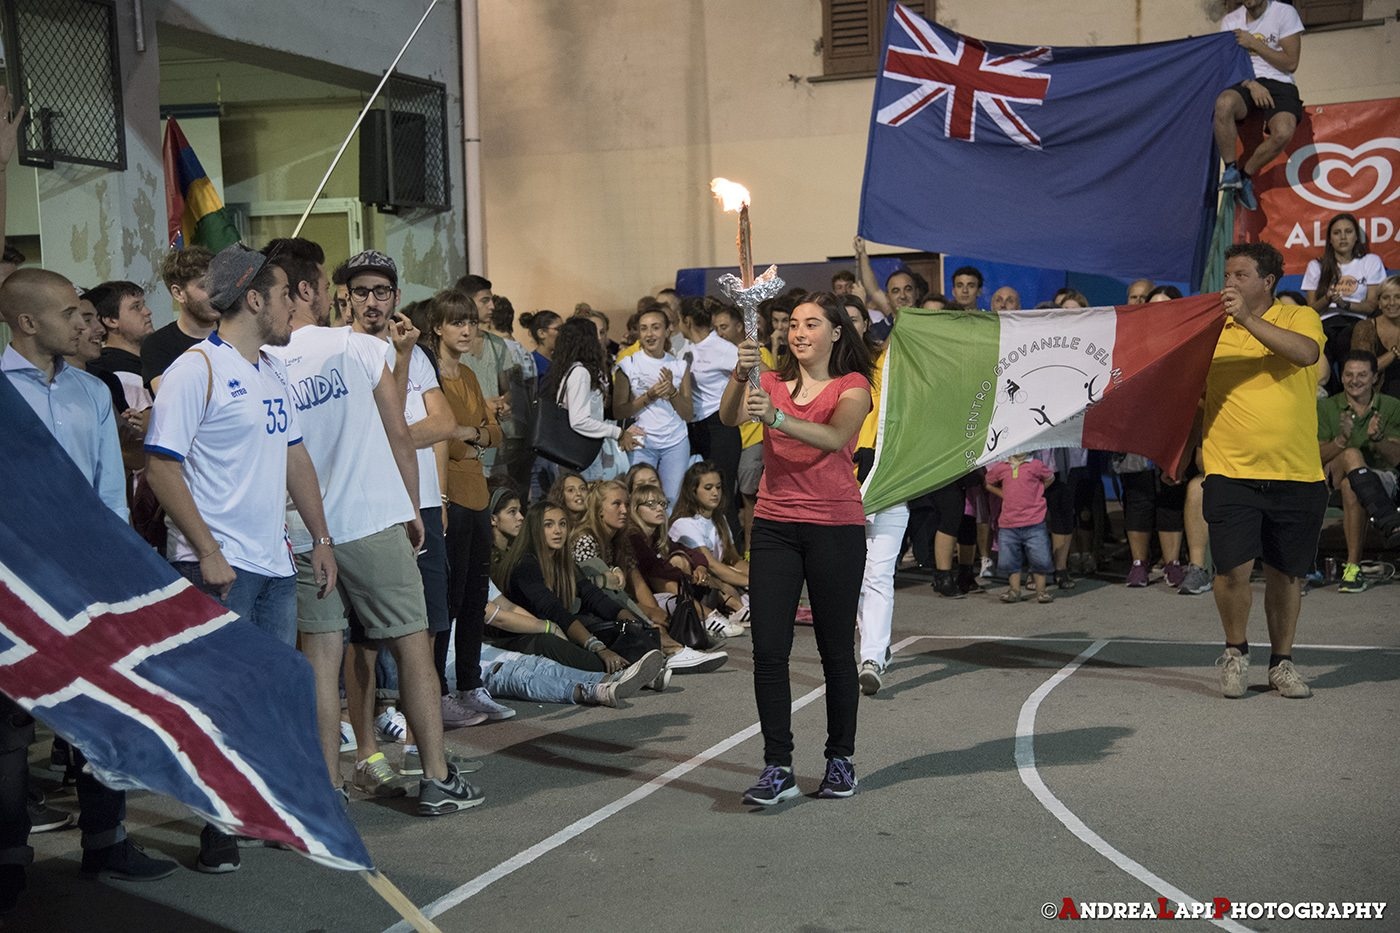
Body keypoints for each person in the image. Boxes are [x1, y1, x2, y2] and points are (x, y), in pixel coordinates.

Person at [263, 248, 483, 814]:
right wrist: (412, 506)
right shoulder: (359, 347)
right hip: (368, 519)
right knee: (414, 646)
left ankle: (327, 785)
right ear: (315, 289)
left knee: (321, 655)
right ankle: (436, 775)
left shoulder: (264, 359)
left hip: (303, 528)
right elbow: (399, 436)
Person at [144, 242, 340, 871]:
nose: (294, 306)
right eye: (285, 295)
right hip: (216, 566)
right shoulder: (193, 370)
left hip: (277, 564)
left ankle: (259, 810)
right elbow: (160, 468)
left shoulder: (272, 371)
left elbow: (295, 457)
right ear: (254, 299)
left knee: (265, 696)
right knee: (218, 701)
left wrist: (320, 537)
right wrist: (206, 551)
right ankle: (216, 829)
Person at [2, 268, 179, 886]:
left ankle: (107, 842)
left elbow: (110, 490)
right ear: (27, 322)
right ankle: (10, 861)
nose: (86, 321)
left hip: (86, 579)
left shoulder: (86, 392)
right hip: (14, 586)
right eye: (70, 312)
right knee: (10, 733)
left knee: (106, 714)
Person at [720, 291, 872, 805]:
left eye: (812, 324)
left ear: (835, 333)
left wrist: (779, 419)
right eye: (793, 325)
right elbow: (727, 419)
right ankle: (777, 766)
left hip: (835, 526)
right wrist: (742, 375)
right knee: (768, 651)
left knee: (834, 651)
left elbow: (834, 438)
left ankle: (840, 760)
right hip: (775, 526)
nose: (799, 332)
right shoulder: (771, 382)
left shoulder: (854, 386)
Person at [1206, 242, 1327, 700]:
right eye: (1227, 275)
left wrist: (1247, 321)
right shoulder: (1211, 327)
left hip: (1297, 472)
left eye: (1240, 275)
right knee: (1232, 570)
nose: (1229, 284)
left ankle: (1282, 663)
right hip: (1230, 469)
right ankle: (1236, 653)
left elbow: (1306, 355)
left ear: (1267, 282)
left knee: (1286, 574)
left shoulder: (1298, 317)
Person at [422, 288, 514, 725]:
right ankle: (437, 691)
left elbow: (494, 434)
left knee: (477, 593)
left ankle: (470, 684)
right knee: (448, 598)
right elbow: (446, 442)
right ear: (437, 326)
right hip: (447, 495)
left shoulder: (472, 375)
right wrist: (470, 435)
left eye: (471, 322)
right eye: (457, 322)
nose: (466, 329)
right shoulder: (426, 376)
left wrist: (470, 434)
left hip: (476, 491)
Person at [1317, 350, 1400, 592]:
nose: (1355, 380)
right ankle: (1388, 519)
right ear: (1341, 378)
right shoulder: (1326, 407)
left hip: (1380, 478)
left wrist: (1379, 439)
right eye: (1349, 374)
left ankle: (1353, 570)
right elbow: (1317, 456)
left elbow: (1396, 459)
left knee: (1351, 486)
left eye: (1362, 375)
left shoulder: (1392, 406)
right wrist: (1341, 440)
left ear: (1375, 377)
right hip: (1333, 476)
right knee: (1351, 454)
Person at [1213, 0, 1304, 211]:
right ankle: (1230, 170)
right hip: (1246, 81)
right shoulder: (1230, 21)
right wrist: (1251, 84)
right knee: (1223, 103)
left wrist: (1254, 43)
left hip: (1280, 82)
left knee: (1283, 132)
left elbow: (1291, 63)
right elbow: (1227, 66)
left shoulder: (1284, 12)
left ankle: (1245, 176)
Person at [614, 304, 693, 504]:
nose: (649, 334)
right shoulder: (628, 365)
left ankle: (666, 536)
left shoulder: (679, 365)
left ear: (668, 331)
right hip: (641, 442)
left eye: (656, 327)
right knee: (639, 500)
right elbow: (618, 411)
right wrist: (648, 396)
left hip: (675, 442)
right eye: (644, 328)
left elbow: (688, 414)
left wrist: (672, 392)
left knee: (671, 501)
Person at [679, 299, 742, 535]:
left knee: (722, 498)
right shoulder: (685, 350)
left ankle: (734, 556)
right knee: (694, 496)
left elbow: (761, 375)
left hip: (720, 427)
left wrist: (740, 409)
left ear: (686, 321)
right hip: (693, 429)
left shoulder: (723, 348)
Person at [482, 291, 537, 493]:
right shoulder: (523, 351)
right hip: (526, 429)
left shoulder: (497, 349)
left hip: (505, 430)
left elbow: (505, 391)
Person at [143, 247, 217, 395]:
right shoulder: (158, 345)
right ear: (178, 293)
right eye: (204, 286)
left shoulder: (239, 334)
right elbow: (172, 399)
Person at [985, 452, 1055, 604]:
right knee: (1010, 560)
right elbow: (988, 482)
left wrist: (1038, 491)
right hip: (1009, 523)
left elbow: (1050, 477)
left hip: (1034, 521)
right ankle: (1014, 590)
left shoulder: (1035, 465)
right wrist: (1004, 494)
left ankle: (1041, 591)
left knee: (1039, 559)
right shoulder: (1002, 467)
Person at [1349, 276, 1400, 399]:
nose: (1392, 303)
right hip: (1378, 395)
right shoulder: (1365, 328)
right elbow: (1361, 370)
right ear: (1379, 303)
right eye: (1386, 298)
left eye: (1398, 297)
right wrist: (1394, 353)